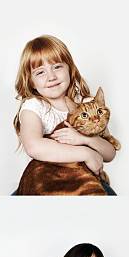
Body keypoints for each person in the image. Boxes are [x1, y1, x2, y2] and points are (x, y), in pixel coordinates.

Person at [13, 35, 117, 195]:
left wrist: (85, 139)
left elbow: (109, 153)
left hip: (84, 178)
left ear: (70, 68)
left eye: (57, 67)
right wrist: (86, 153)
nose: (51, 77)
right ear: (31, 81)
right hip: (49, 179)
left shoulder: (87, 104)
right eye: (40, 72)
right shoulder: (34, 107)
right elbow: (33, 146)